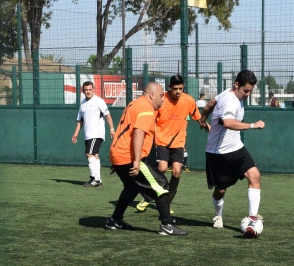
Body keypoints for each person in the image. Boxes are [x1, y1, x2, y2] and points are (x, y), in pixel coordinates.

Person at [105, 82, 187, 236]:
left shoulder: (134, 104)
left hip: (119, 154)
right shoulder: (146, 108)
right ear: (152, 95)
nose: (163, 99)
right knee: (162, 185)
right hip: (130, 157)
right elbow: (138, 133)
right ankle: (167, 225)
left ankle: (114, 220)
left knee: (131, 188)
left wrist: (118, 160)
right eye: (161, 95)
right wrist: (136, 161)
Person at [199, 70, 265, 230]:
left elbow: (210, 104)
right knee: (220, 190)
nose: (248, 94)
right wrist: (252, 125)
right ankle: (218, 215)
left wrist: (202, 119)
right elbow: (228, 122)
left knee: (254, 175)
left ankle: (252, 218)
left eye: (250, 91)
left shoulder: (228, 93)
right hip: (219, 153)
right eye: (246, 91)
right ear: (236, 85)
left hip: (236, 148)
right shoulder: (230, 100)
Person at [136, 75, 207, 213]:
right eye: (175, 89)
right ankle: (149, 196)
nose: (178, 91)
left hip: (178, 141)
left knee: (176, 171)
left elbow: (197, 116)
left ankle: (166, 203)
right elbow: (150, 116)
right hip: (161, 139)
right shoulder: (162, 99)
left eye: (181, 88)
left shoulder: (189, 100)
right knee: (162, 168)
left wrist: (203, 123)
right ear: (170, 88)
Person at [72, 80, 115, 187]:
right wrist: (76, 133)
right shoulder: (83, 103)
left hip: (97, 133)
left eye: (90, 89)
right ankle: (98, 180)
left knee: (89, 154)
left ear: (94, 89)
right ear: (83, 91)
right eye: (86, 90)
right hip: (88, 134)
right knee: (95, 155)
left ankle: (94, 178)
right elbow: (80, 120)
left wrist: (112, 129)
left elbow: (107, 115)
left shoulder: (99, 101)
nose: (88, 92)